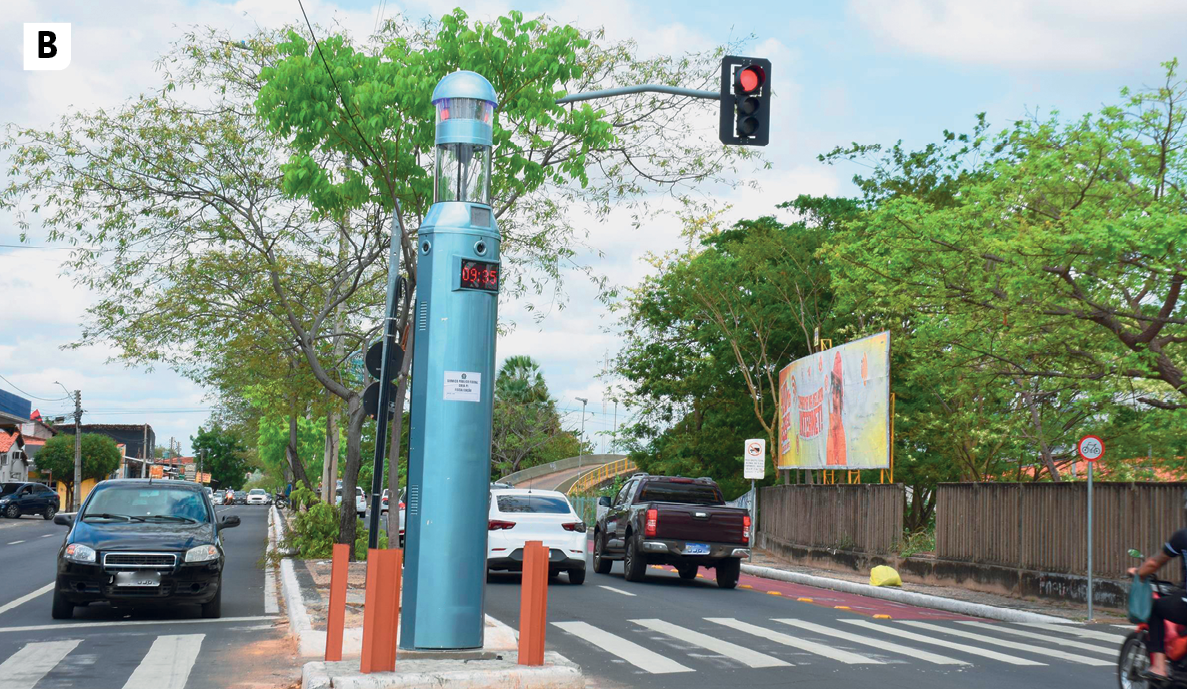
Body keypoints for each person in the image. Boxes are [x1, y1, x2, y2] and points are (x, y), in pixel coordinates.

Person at [1130, 520, 1187, 681]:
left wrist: (1139, 572)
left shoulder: (1183, 536)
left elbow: (1154, 563)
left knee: (1154, 608)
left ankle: (1160, 667)